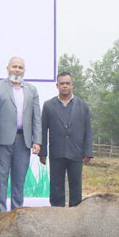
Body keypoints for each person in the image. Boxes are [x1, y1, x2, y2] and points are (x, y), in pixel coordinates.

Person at [0, 57, 42, 216]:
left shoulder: (32, 90)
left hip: (23, 141)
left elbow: (36, 117)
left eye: (20, 67)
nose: (17, 70)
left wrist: (37, 140)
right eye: (14, 66)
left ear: (24, 70)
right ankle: (0, 215)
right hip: (2, 142)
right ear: (8, 68)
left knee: (19, 181)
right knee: (0, 180)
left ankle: (17, 214)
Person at [39, 72, 93, 207]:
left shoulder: (82, 105)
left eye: (67, 83)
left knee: (76, 186)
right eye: (62, 83)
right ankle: (57, 215)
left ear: (72, 85)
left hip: (76, 152)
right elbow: (43, 130)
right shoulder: (48, 106)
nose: (64, 86)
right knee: (56, 187)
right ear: (57, 86)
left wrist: (88, 152)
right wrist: (42, 152)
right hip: (57, 152)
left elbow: (88, 131)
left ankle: (75, 216)